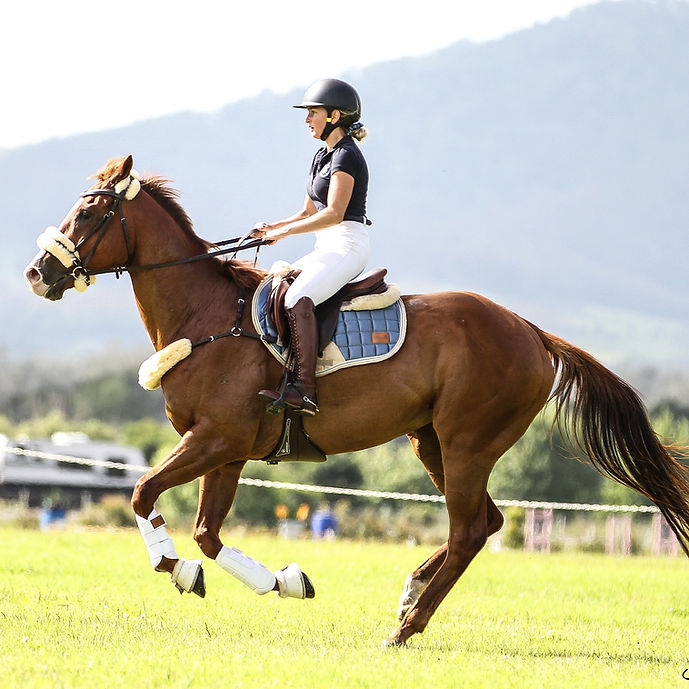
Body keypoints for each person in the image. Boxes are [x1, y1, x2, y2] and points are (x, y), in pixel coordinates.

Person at [253, 78, 371, 416]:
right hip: (327, 245)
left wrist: (286, 233)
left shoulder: (347, 155)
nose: (307, 120)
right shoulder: (323, 155)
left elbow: (333, 213)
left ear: (334, 115)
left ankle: (304, 389)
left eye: (313, 113)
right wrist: (270, 228)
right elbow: (308, 211)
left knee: (296, 298)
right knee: (277, 289)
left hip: (347, 245)